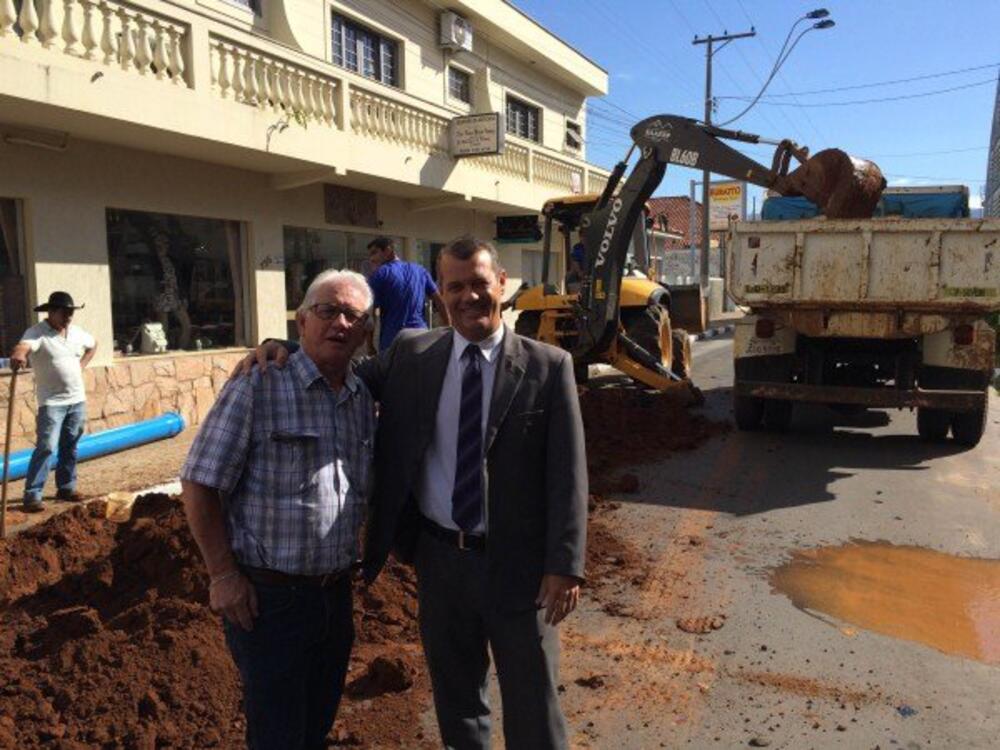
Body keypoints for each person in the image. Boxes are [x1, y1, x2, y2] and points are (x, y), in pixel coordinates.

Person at [243, 237, 588, 749]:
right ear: (439, 295)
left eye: (478, 283)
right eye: (455, 287)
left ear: (503, 284)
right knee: (457, 700)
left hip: (520, 568)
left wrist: (565, 565)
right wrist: (287, 345)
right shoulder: (412, 353)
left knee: (533, 700)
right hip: (442, 562)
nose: (468, 296)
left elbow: (568, 472)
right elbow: (344, 366)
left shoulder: (548, 366)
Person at [181, 270, 376, 750]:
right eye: (327, 310)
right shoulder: (260, 384)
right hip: (269, 603)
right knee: (277, 735)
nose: (340, 323)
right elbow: (199, 482)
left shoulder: (361, 397)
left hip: (334, 597)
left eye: (354, 315)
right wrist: (222, 575)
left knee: (316, 725)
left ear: (367, 330)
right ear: (302, 320)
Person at [10, 291, 96, 512]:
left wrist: (81, 366)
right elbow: (23, 347)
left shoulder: (76, 332)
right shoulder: (37, 332)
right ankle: (32, 495)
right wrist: (18, 356)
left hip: (77, 400)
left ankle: (66, 486)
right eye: (64, 312)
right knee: (46, 447)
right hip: (52, 403)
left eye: (71, 312)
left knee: (71, 445)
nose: (68, 317)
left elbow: (93, 344)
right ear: (51, 312)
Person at [366, 236, 449, 351]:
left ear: (388, 250)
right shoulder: (420, 270)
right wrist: (449, 331)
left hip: (393, 341)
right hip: (421, 338)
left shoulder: (379, 275)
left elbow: (370, 313)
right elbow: (440, 301)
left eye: (374, 253)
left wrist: (370, 346)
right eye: (370, 255)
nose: (371, 259)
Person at [152, 232, 192, 350]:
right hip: (162, 296)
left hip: (175, 296)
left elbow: (179, 279)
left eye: (165, 244)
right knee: (163, 327)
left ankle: (181, 349)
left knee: (186, 325)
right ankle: (163, 349)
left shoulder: (172, 261)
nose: (162, 247)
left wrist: (183, 296)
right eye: (159, 244)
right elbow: (151, 280)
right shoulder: (153, 262)